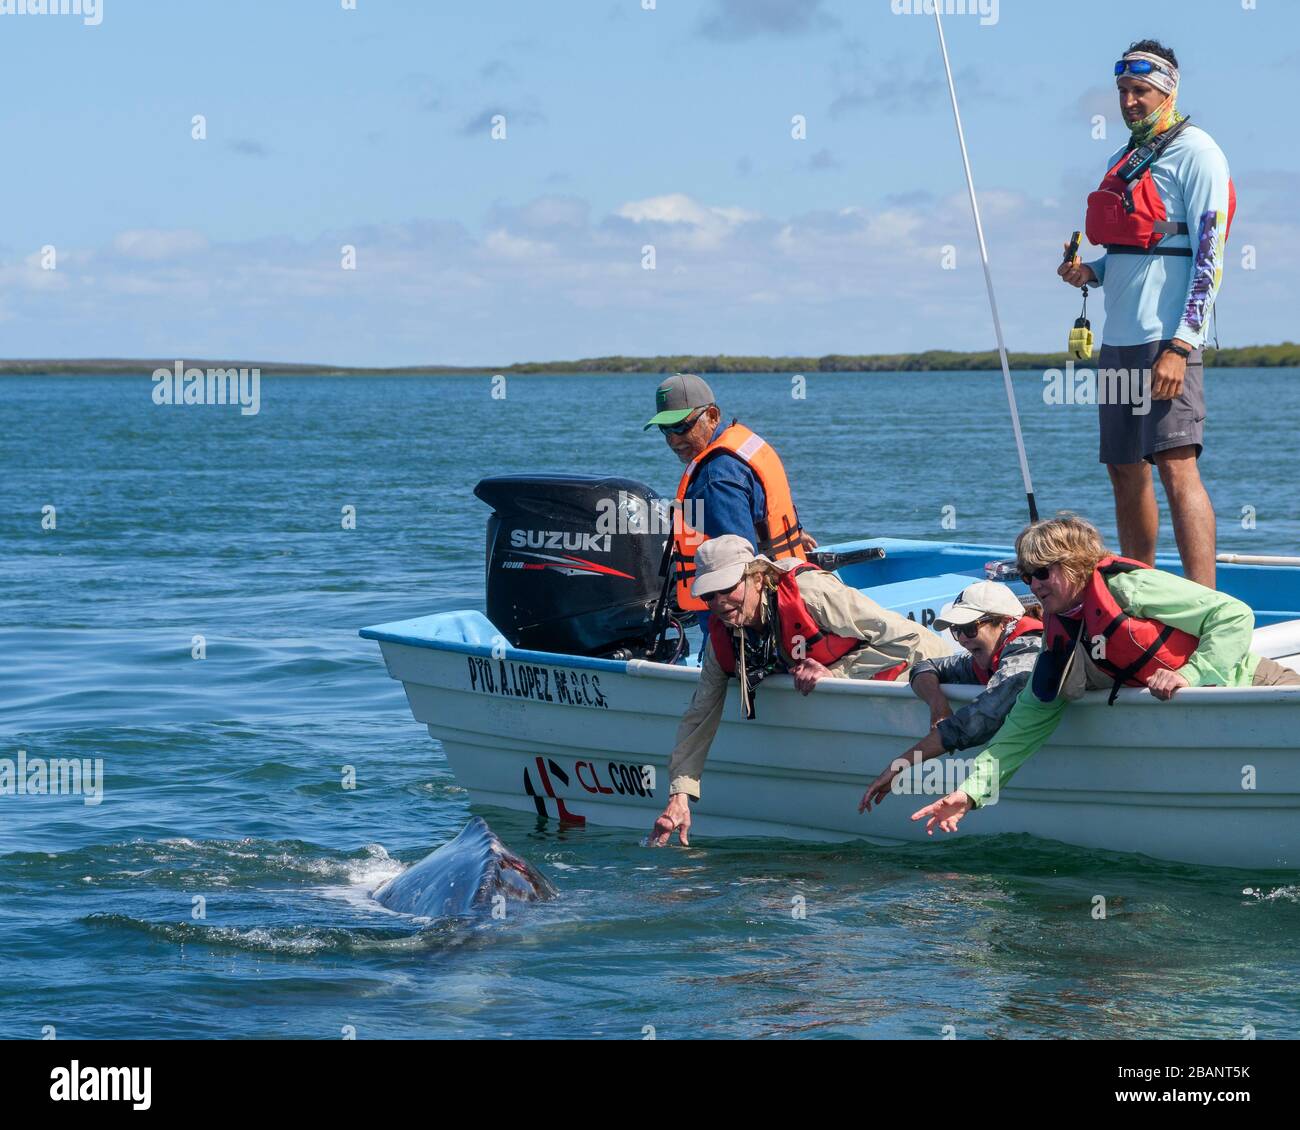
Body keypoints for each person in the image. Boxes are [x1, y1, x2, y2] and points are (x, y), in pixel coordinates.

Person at [910, 515, 1300, 836]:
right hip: (1218, 724)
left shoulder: (1130, 588)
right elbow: (1030, 716)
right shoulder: (1058, 630)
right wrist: (972, 792)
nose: (1033, 585)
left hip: (1257, 685)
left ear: (1075, 564)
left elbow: (1233, 615)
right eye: (1026, 575)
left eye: (1043, 572)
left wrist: (1191, 674)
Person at [1058, 39, 1234, 588]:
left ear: (1168, 90)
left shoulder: (1198, 151)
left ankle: (1207, 604)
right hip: (1119, 340)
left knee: (1176, 467)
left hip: (1166, 341)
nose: (1130, 101)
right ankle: (1142, 589)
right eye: (1124, 91)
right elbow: (1133, 251)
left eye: (1141, 90)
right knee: (1123, 468)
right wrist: (1090, 272)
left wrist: (1182, 345)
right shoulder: (1123, 159)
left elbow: (1210, 253)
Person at [649, 535, 951, 846]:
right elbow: (699, 717)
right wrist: (679, 797)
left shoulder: (812, 594)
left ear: (756, 577)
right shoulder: (723, 638)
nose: (719, 603)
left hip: (924, 673)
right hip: (856, 712)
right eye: (709, 595)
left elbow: (907, 640)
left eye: (727, 588)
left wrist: (834, 674)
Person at [644, 373, 815, 633]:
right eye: (664, 429)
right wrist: (795, 533)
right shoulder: (743, 443)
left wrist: (738, 644)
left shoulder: (715, 480)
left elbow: (735, 571)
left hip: (746, 619)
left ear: (712, 415)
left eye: (681, 427)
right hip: (791, 589)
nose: (673, 440)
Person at [859, 581, 1042, 813]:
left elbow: (980, 720)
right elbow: (925, 667)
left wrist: (900, 765)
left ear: (1006, 623)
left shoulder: (1028, 651)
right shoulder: (983, 656)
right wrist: (938, 704)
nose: (963, 639)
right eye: (957, 630)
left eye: (970, 628)